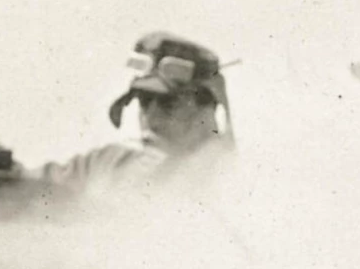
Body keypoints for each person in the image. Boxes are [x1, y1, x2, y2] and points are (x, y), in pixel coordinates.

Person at [48, 30, 234, 192]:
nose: (151, 118)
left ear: (208, 110)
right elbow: (34, 188)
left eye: (168, 104)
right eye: (144, 102)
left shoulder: (240, 184)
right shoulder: (110, 164)